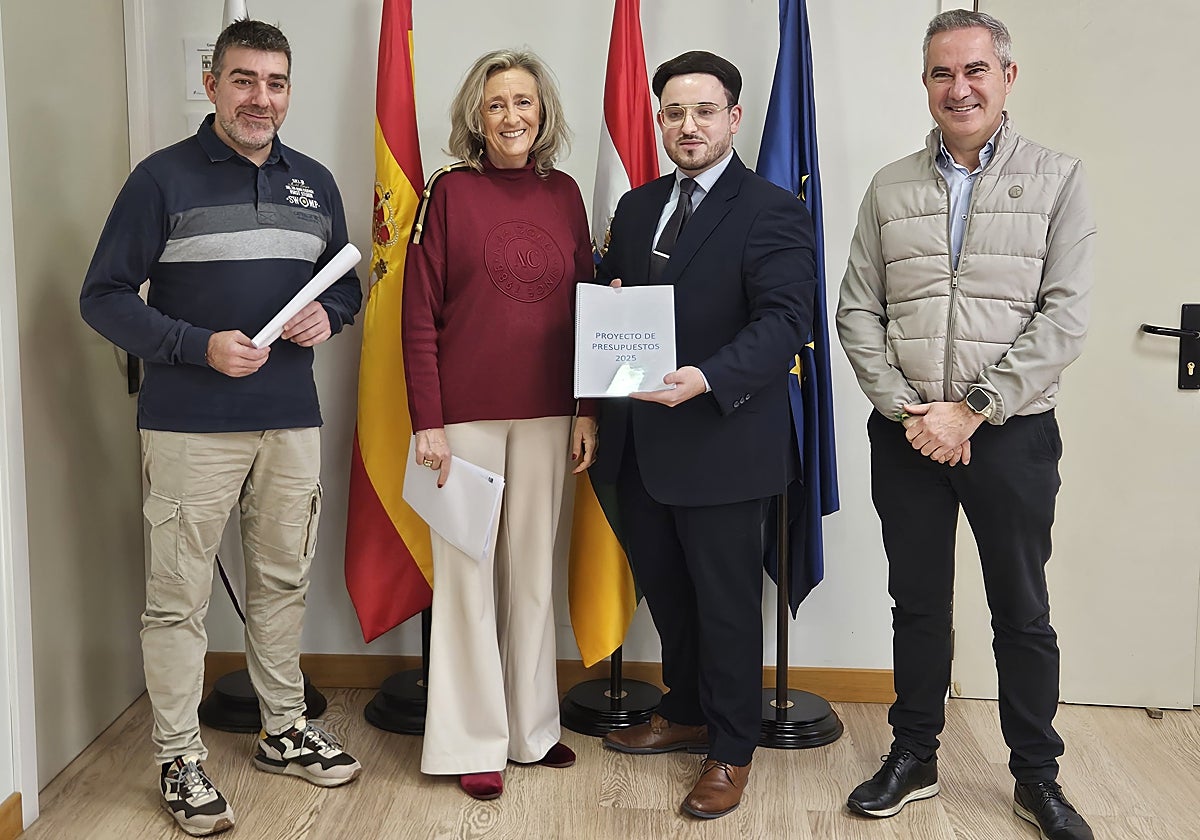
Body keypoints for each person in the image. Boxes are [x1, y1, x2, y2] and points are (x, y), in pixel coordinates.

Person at [79, 19, 362, 838]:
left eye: (274, 82)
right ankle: (178, 757)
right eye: (243, 80)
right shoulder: (160, 179)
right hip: (189, 426)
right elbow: (103, 297)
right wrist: (195, 346)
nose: (259, 98)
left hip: (289, 420)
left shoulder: (313, 183)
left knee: (283, 582)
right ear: (212, 86)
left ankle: (284, 730)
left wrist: (330, 315)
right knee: (177, 601)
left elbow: (345, 283)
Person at [836, 10, 1096, 840]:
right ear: (925, 83)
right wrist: (906, 410)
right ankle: (913, 755)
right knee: (916, 603)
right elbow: (857, 311)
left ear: (1007, 77)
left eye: (976, 70)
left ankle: (1036, 779)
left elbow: (1063, 319)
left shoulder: (1058, 179)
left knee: (1021, 610)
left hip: (1010, 435)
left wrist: (974, 410)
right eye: (943, 73)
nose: (960, 88)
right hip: (907, 431)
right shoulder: (890, 187)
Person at [591, 51, 815, 819]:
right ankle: (684, 710)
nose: (688, 126)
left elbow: (785, 321)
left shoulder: (771, 209)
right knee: (669, 595)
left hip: (724, 442)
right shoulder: (636, 206)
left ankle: (731, 748)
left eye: (704, 111)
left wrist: (709, 377)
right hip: (640, 446)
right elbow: (619, 308)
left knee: (725, 606)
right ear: (659, 120)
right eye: (674, 113)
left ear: (734, 118)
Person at [401, 48, 596, 802]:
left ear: (542, 113)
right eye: (496, 104)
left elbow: (589, 309)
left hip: (549, 413)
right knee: (467, 576)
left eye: (523, 102)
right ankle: (471, 740)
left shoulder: (565, 193)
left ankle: (531, 730)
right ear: (475, 118)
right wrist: (428, 421)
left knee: (533, 576)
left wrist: (587, 408)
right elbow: (419, 313)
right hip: (464, 419)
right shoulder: (448, 191)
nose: (512, 116)